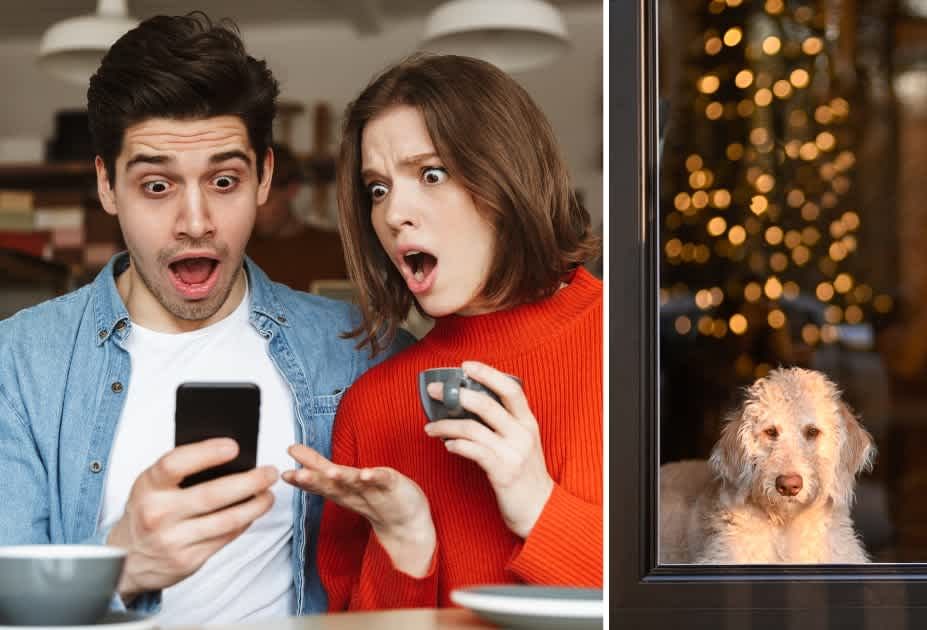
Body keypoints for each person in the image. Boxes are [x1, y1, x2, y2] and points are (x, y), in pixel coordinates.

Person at [0, 13, 409, 624]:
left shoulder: (360, 349)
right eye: (157, 186)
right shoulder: (19, 361)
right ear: (107, 186)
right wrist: (123, 562)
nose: (196, 221)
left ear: (264, 176)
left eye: (223, 180)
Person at [281, 53, 603, 609]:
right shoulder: (373, 406)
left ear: (508, 177)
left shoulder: (623, 343)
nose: (393, 213)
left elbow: (679, 596)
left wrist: (537, 505)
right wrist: (405, 541)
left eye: (431, 174)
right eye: (377, 189)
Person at [245, 143, 348, 292]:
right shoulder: (240, 250)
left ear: (292, 189)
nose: (256, 212)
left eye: (266, 201)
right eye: (249, 202)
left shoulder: (335, 249)